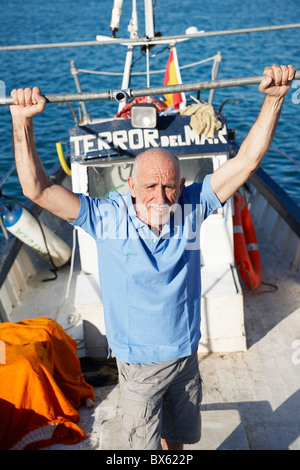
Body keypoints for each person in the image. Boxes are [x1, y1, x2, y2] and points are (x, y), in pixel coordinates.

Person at [9, 64, 295, 450]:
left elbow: (245, 162)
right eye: (149, 187)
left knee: (176, 442)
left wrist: (274, 99)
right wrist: (22, 121)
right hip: (139, 367)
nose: (161, 198)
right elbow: (38, 189)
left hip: (185, 356)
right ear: (129, 185)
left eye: (169, 187)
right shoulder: (107, 218)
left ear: (182, 185)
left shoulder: (192, 206)